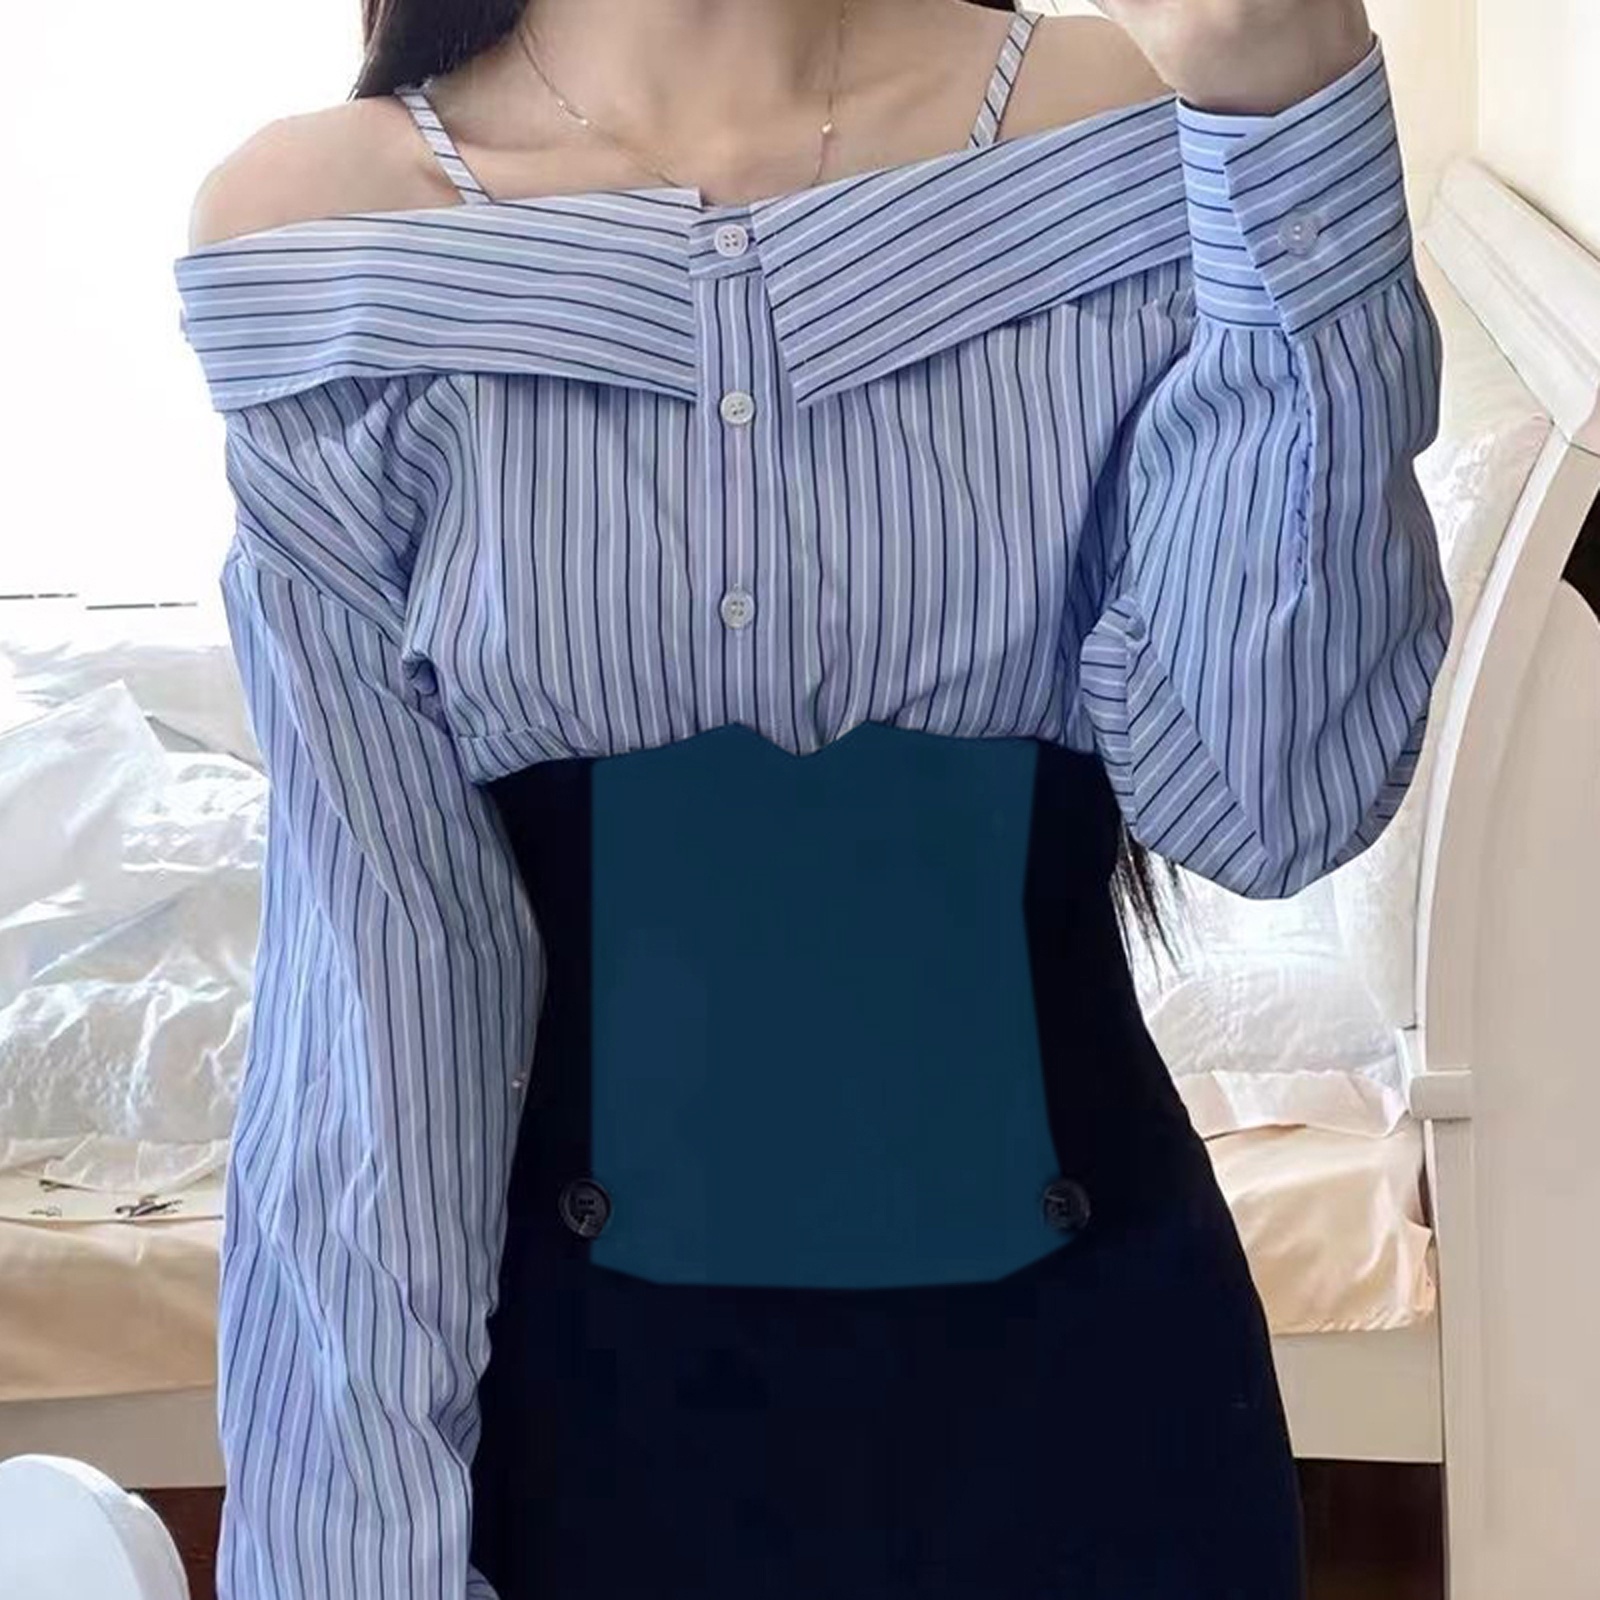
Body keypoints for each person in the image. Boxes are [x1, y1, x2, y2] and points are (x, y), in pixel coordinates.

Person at [173, 1, 1453, 1595]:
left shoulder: (1122, 127)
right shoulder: (327, 242)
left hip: (1105, 1419)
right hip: (589, 1457)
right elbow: (375, 1004)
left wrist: (1285, 95)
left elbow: (1271, 798)